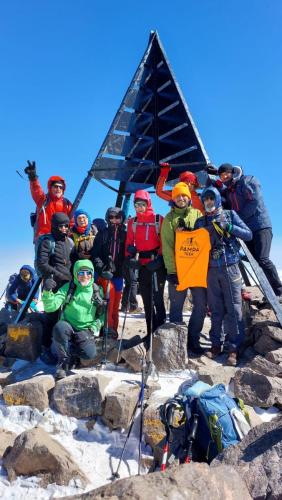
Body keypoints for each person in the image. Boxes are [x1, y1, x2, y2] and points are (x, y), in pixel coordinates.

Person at [195, 186, 253, 366]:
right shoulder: (200, 222)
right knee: (215, 309)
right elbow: (192, 243)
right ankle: (215, 345)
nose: (209, 202)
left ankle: (233, 349)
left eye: (212, 199)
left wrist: (228, 227)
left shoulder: (229, 215)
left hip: (230, 267)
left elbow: (248, 234)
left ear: (218, 199)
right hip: (210, 270)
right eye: (206, 200)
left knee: (234, 309)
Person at [217, 163, 282, 299]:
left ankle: (279, 290)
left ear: (233, 172)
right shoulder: (229, 190)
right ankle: (271, 293)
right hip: (247, 230)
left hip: (260, 226)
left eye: (226, 173)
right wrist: (213, 181)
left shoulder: (247, 181)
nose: (224, 177)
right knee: (257, 261)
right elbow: (221, 196)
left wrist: (237, 218)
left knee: (263, 259)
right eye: (221, 175)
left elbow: (254, 202)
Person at [161, 182, 206, 354]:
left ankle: (193, 340)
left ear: (188, 197)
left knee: (201, 306)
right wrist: (172, 271)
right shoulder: (169, 219)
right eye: (177, 196)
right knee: (176, 307)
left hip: (196, 270)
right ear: (173, 199)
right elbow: (167, 246)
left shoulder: (197, 214)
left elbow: (203, 238)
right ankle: (176, 344)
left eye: (184, 195)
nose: (181, 198)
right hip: (178, 271)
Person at [42, 259, 104, 379]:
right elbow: (51, 307)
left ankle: (70, 351)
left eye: (88, 273)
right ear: (76, 274)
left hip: (86, 329)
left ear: (92, 274)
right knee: (59, 328)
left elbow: (102, 315)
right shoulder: (69, 287)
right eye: (81, 273)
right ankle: (63, 364)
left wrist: (93, 328)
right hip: (68, 325)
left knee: (89, 354)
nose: (85, 276)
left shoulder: (97, 290)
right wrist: (47, 291)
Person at [125, 190, 166, 344]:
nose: (140, 207)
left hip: (156, 264)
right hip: (142, 265)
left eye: (142, 204)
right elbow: (129, 242)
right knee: (147, 301)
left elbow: (165, 242)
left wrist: (160, 259)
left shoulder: (158, 219)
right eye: (137, 205)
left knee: (158, 300)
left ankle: (160, 334)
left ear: (148, 203)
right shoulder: (133, 222)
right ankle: (150, 334)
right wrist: (130, 257)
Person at [91, 207, 126, 336]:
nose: (114, 220)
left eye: (117, 217)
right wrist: (102, 268)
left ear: (122, 218)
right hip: (105, 275)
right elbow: (95, 254)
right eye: (111, 217)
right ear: (107, 218)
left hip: (118, 276)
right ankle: (106, 329)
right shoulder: (103, 234)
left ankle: (113, 331)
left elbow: (127, 254)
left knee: (115, 306)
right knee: (108, 304)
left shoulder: (125, 234)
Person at [24, 161, 72, 240]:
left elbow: (72, 222)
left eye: (61, 187)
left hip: (62, 238)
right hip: (44, 237)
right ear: (50, 188)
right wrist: (33, 178)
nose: (58, 189)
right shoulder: (43, 200)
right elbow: (36, 190)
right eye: (56, 186)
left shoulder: (67, 204)